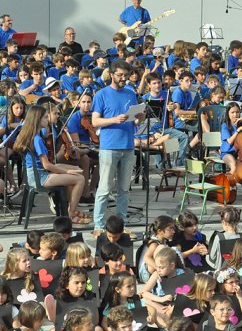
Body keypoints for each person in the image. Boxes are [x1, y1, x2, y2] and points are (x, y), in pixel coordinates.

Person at [13, 105, 89, 225]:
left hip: (37, 174)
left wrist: (69, 169)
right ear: (37, 120)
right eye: (44, 117)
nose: (47, 119)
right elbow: (46, 165)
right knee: (80, 179)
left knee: (76, 169)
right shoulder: (37, 139)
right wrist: (66, 172)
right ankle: (71, 214)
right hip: (40, 177)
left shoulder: (34, 136)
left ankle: (69, 210)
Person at [91, 61, 144, 230]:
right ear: (112, 74)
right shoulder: (101, 94)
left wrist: (139, 118)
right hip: (109, 146)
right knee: (105, 189)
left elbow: (135, 120)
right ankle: (98, 225)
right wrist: (114, 119)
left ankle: (122, 222)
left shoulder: (130, 93)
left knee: (124, 189)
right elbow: (95, 121)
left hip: (128, 145)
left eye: (125, 75)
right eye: (120, 75)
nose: (123, 78)